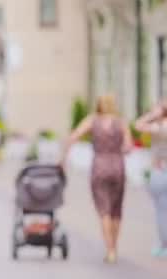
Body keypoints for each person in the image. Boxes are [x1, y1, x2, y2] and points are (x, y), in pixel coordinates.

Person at [60, 95, 133, 264]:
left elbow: (73, 137)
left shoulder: (93, 120)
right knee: (116, 209)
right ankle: (114, 247)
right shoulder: (120, 122)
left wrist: (63, 159)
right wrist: (118, 148)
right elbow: (128, 147)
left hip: (99, 167)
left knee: (103, 210)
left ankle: (110, 251)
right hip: (118, 167)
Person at [135, 100, 167, 256]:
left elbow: (138, 125)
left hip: (160, 172)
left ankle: (164, 244)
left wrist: (152, 116)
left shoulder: (158, 127)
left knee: (162, 211)